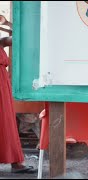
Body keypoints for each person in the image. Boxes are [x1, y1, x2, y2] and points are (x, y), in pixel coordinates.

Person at [0, 15, 37, 174]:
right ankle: (16, 163)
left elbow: (21, 36)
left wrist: (7, 23)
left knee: (6, 120)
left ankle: (16, 162)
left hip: (2, 82)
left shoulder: (1, 40)